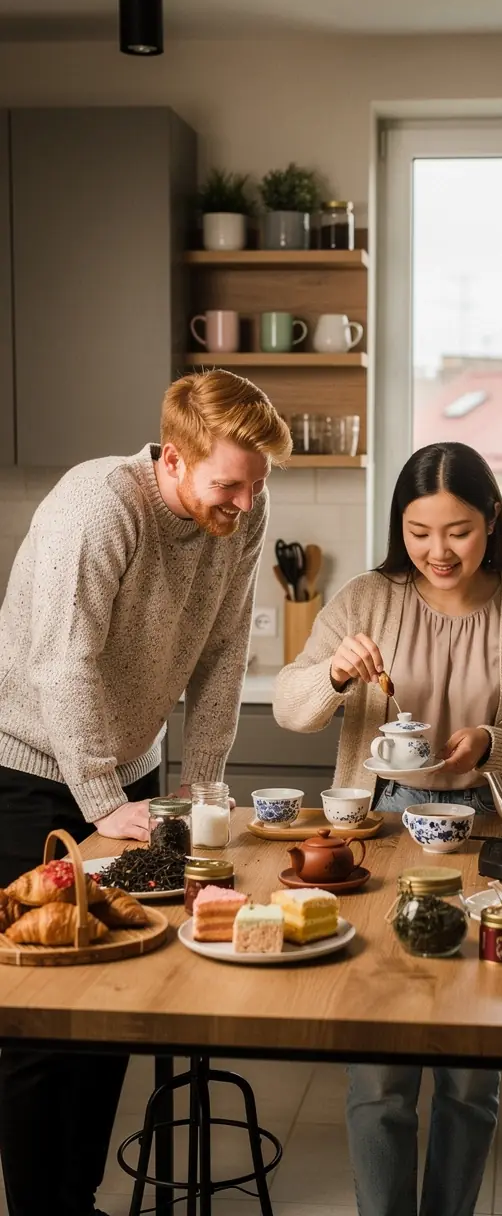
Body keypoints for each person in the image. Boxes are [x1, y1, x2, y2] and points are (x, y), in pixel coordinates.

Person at [0, 368, 290, 1216]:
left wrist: (203, 788)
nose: (242, 504)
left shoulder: (246, 510)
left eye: (254, 485)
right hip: (30, 773)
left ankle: (79, 1201)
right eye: (226, 485)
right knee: (43, 1015)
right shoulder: (98, 507)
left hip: (131, 778)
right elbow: (65, 661)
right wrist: (97, 798)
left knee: (116, 1002)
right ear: (173, 458)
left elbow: (224, 654)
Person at [274, 441, 502, 1216]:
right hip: (376, 832)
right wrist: (336, 673)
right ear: (399, 527)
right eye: (419, 531)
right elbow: (291, 705)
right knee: (378, 1070)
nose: (438, 551)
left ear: (492, 522)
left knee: (472, 1068)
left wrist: (493, 743)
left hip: (484, 836)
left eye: (459, 531)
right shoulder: (366, 598)